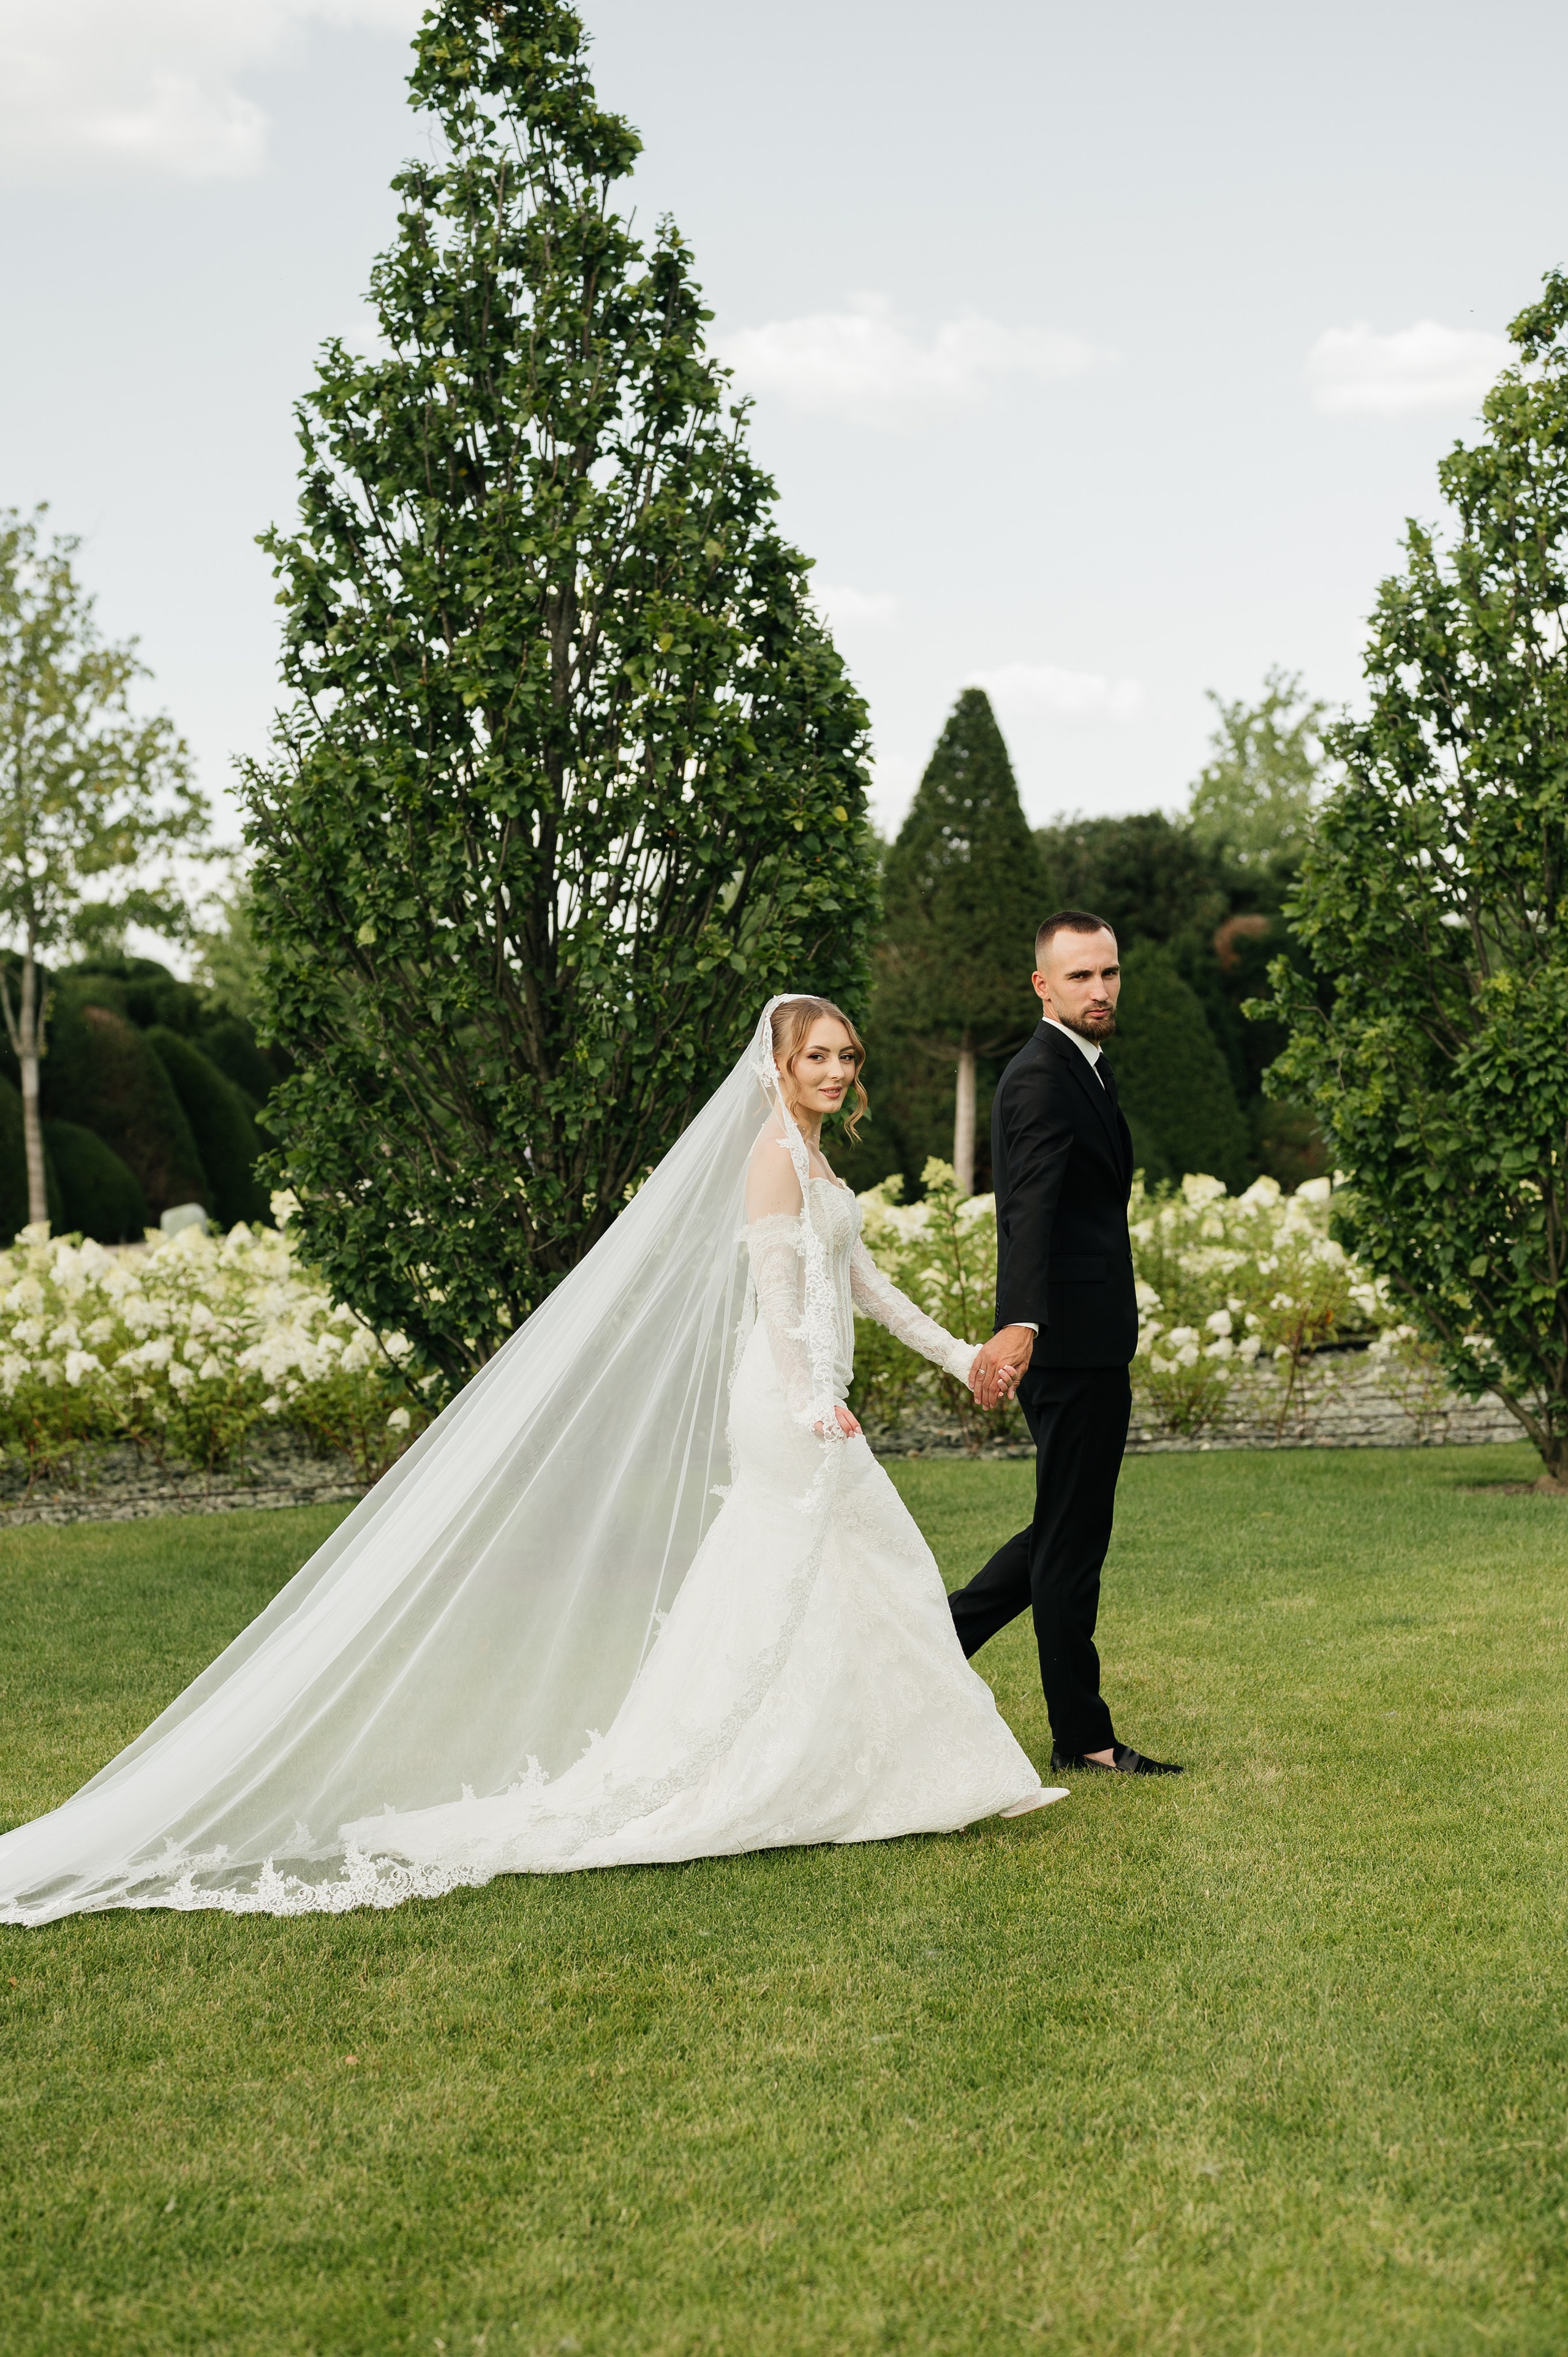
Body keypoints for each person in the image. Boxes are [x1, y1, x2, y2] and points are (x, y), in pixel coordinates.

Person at [0, 995, 1063, 1926]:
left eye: (845, 1057)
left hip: (812, 1405)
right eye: (817, 1056)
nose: (836, 1071)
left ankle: (882, 1770)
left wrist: (962, 1353)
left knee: (847, 1580)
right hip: (787, 1408)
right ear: (778, 1067)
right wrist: (808, 1400)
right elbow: (780, 1308)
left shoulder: (818, 1159)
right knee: (839, 1572)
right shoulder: (772, 1159)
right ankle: (782, 1775)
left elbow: (863, 1288)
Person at [947, 912, 1182, 1778]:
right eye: (1080, 976)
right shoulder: (1043, 1076)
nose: (1101, 989)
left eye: (1110, 973)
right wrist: (1023, 1323)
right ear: (1043, 986)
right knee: (1072, 1540)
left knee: (1064, 1529)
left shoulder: (1085, 1068)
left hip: (1089, 1340)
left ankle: (933, 1641)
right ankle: (1083, 1737)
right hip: (1066, 1346)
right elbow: (1031, 1208)